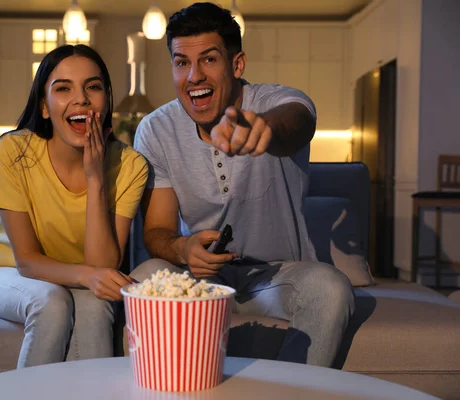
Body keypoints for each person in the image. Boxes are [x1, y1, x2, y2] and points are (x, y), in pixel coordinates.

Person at [131, 2, 355, 367]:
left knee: (331, 288)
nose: (194, 77)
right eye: (181, 62)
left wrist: (262, 128)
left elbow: (296, 121)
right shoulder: (156, 130)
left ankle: (293, 394)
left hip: (276, 277)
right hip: (202, 282)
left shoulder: (279, 102)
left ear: (237, 64)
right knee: (142, 277)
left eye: (209, 60)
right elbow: (157, 230)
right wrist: (184, 248)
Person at [0, 44, 148, 368]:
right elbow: (26, 262)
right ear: (45, 106)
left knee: (95, 306)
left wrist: (95, 180)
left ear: (106, 100)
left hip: (81, 278)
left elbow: (103, 264)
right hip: (1, 271)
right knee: (52, 303)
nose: (80, 98)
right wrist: (88, 276)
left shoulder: (130, 165)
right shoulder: (12, 151)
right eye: (63, 88)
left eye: (92, 87)